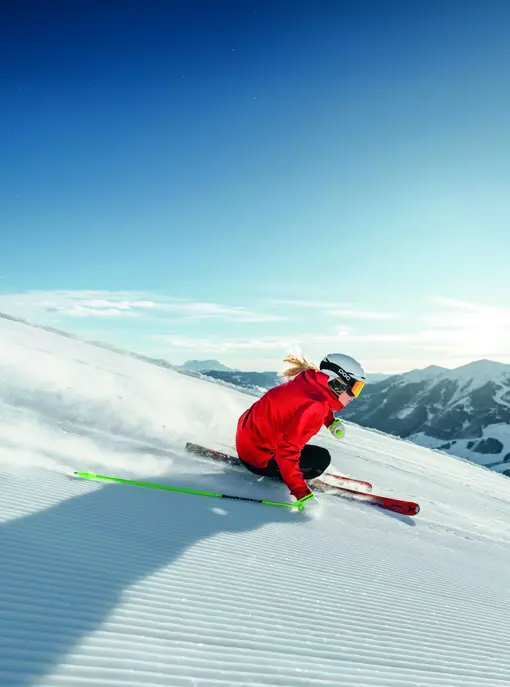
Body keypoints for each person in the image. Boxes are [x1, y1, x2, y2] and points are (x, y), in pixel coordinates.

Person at [235, 352, 366, 504]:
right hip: (258, 461)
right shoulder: (317, 406)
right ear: (338, 383)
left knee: (307, 451)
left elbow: (306, 404)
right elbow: (286, 452)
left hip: (246, 442)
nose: (354, 396)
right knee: (321, 459)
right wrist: (302, 494)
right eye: (355, 388)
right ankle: (285, 472)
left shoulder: (307, 382)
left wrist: (330, 422)